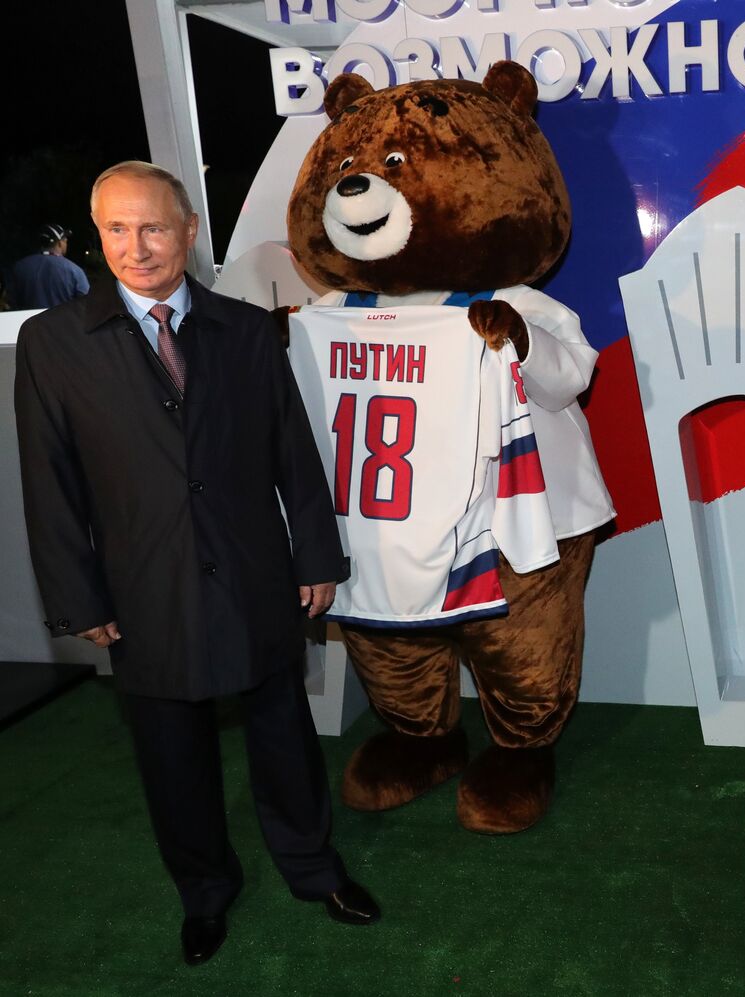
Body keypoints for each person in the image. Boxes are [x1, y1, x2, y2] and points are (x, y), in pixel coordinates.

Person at [13, 161, 382, 967]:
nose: (136, 247)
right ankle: (205, 893)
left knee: (283, 734)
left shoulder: (246, 330)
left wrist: (315, 554)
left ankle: (313, 866)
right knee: (171, 754)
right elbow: (49, 481)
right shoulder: (52, 342)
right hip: (142, 586)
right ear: (96, 234)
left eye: (153, 227)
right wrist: (79, 597)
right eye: (116, 229)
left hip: (255, 571)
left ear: (187, 231)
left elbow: (291, 450)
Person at [3, 223, 90, 310]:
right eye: (65, 240)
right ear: (60, 243)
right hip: (64, 318)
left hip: (28, 318)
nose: (66, 242)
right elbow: (87, 304)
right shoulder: (74, 270)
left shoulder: (19, 267)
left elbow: (9, 301)